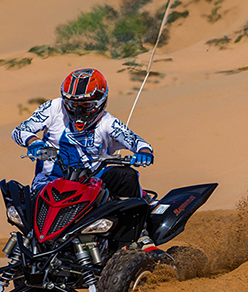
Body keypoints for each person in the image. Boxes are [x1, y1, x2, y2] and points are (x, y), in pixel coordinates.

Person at [12, 68, 154, 198]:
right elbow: (20, 131)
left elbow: (136, 141)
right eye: (73, 105)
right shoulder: (53, 107)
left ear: (101, 102)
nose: (78, 111)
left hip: (91, 185)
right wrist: (34, 142)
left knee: (126, 175)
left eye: (86, 105)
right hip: (48, 182)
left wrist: (144, 153)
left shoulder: (108, 122)